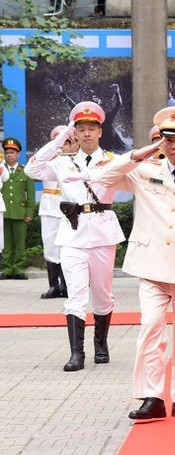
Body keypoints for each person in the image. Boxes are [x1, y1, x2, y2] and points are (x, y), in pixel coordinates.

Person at [89, 105, 175, 420]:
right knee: (151, 328)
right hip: (151, 265)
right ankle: (151, 396)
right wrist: (140, 154)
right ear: (161, 141)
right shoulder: (144, 169)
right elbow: (99, 176)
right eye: (169, 139)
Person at [25, 102, 125, 371]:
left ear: (100, 132)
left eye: (92, 128)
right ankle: (76, 353)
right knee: (76, 295)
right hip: (72, 235)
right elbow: (31, 170)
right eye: (81, 129)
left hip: (103, 234)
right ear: (75, 133)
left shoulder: (113, 162)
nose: (87, 133)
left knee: (103, 295)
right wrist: (58, 140)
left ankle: (101, 343)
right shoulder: (62, 163)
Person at [39, 126, 75, 299]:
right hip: (49, 207)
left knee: (67, 246)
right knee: (50, 245)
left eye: (66, 143)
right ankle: (53, 285)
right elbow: (33, 169)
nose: (62, 148)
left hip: (68, 207)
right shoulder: (46, 160)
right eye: (58, 143)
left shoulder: (75, 161)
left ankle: (67, 284)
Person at [1, 138, 35, 280]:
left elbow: (31, 195)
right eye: (7, 152)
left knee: (20, 243)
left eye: (12, 152)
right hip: (4, 212)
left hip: (20, 213)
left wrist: (29, 213)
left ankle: (19, 269)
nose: (9, 155)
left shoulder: (25, 171)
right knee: (6, 243)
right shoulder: (1, 170)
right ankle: (7, 269)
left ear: (18, 154)